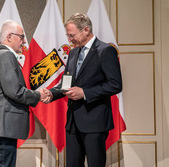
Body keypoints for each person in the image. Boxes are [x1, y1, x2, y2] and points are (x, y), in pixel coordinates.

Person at [43, 13, 122, 167]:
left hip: (95, 123)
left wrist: (85, 93)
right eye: (68, 36)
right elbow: (67, 83)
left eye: (72, 35)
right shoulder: (73, 53)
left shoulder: (106, 51)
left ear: (86, 30)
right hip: (73, 123)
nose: (69, 40)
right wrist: (52, 93)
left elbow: (115, 84)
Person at [0, 20, 49, 167]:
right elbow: (14, 91)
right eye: (21, 37)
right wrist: (38, 95)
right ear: (9, 37)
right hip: (3, 127)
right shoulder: (6, 56)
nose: (24, 41)